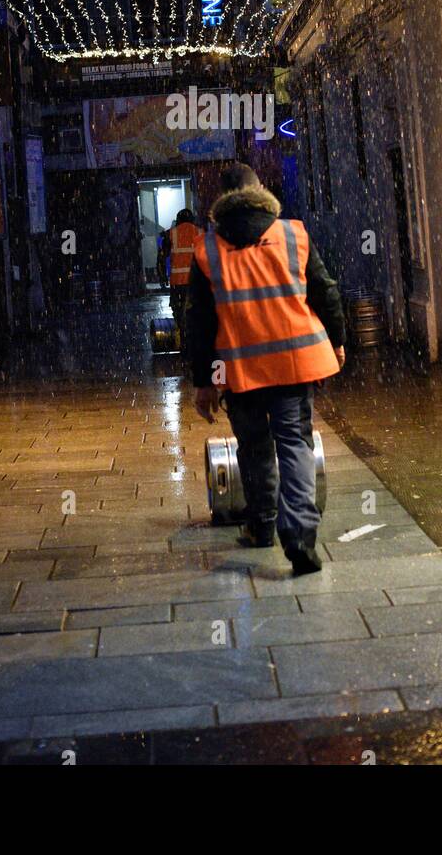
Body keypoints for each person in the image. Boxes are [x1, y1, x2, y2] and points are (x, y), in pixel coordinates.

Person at [188, 164, 345, 576]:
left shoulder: (208, 251)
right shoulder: (292, 234)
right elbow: (325, 289)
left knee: (255, 447)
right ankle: (299, 538)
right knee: (295, 443)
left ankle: (262, 525)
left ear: (217, 203)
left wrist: (204, 382)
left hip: (241, 369)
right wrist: (338, 339)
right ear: (259, 189)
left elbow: (200, 323)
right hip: (293, 362)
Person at [167, 207, 200, 349]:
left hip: (177, 281)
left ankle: (182, 337)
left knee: (178, 309)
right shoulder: (199, 233)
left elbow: (163, 256)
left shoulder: (172, 233)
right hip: (194, 281)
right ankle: (194, 339)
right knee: (196, 310)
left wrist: (162, 274)